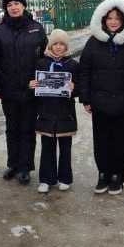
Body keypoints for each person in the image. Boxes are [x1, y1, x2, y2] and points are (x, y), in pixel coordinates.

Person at [0, 0, 48, 185]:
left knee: (28, 129)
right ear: (6, 8)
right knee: (12, 129)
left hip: (31, 91)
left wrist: (42, 83)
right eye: (9, 5)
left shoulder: (37, 29)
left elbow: (46, 59)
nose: (13, 7)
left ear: (23, 6)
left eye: (17, 4)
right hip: (9, 90)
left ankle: (25, 167)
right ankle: (12, 164)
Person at [78, 0, 124, 195]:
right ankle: (103, 174)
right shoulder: (93, 43)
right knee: (102, 140)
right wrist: (86, 98)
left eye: (117, 19)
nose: (113, 22)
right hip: (100, 102)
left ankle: (117, 175)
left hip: (123, 103)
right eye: (110, 18)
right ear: (103, 20)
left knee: (121, 141)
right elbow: (85, 71)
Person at [28, 29, 79, 193]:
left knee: (65, 148)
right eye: (55, 44)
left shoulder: (73, 65)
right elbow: (35, 89)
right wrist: (32, 86)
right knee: (47, 147)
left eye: (62, 44)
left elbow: (81, 89)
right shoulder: (41, 64)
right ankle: (46, 179)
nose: (58, 47)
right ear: (50, 45)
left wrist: (74, 88)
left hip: (66, 114)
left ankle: (65, 178)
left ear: (66, 46)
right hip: (46, 113)